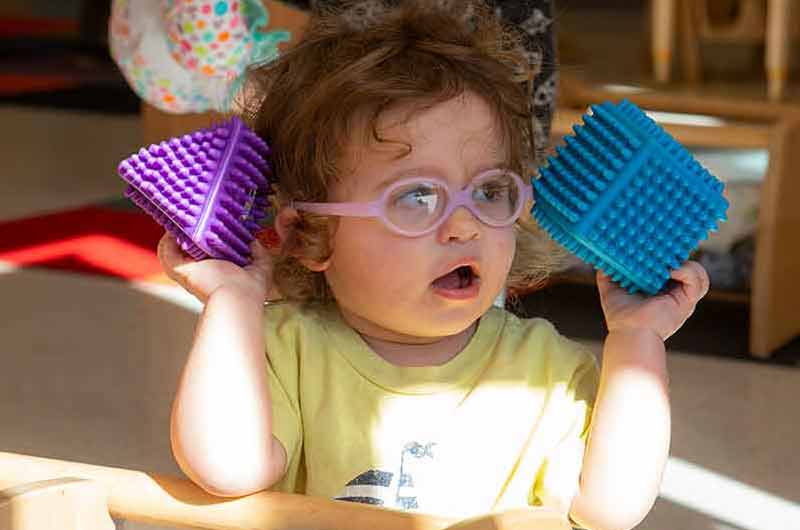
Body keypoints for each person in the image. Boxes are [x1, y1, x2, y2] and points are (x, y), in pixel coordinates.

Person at [158, 2, 710, 529]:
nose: (465, 225)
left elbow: (611, 508)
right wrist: (232, 303)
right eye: (417, 197)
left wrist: (638, 338)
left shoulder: (546, 371)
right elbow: (226, 470)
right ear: (308, 237)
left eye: (490, 191)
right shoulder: (279, 351)